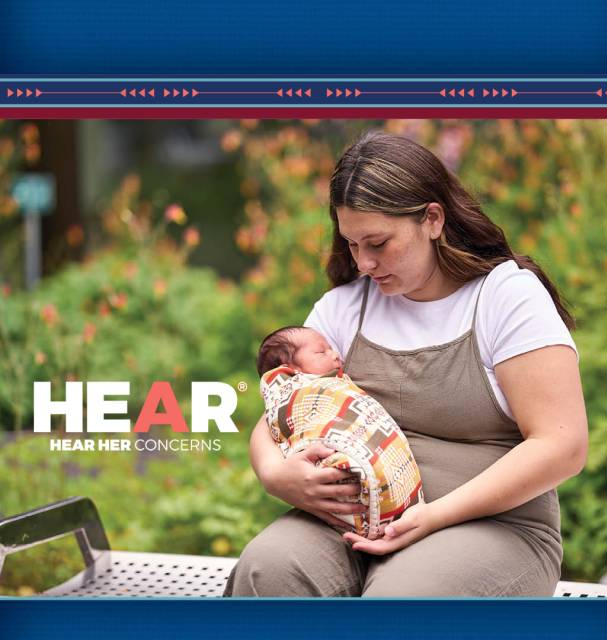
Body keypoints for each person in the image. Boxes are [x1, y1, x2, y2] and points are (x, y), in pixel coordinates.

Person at [223, 131, 588, 597]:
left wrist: (432, 515)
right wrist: (274, 473)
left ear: (432, 219)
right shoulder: (343, 309)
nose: (365, 263)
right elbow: (282, 410)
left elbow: (563, 445)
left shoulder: (504, 298)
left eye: (378, 242)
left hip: (492, 526)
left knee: (401, 601)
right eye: (352, 244)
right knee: (268, 569)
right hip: (357, 520)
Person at [257, 326, 424, 539]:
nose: (336, 354)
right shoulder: (293, 389)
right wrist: (274, 475)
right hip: (332, 485)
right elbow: (271, 420)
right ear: (289, 370)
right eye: (322, 352)